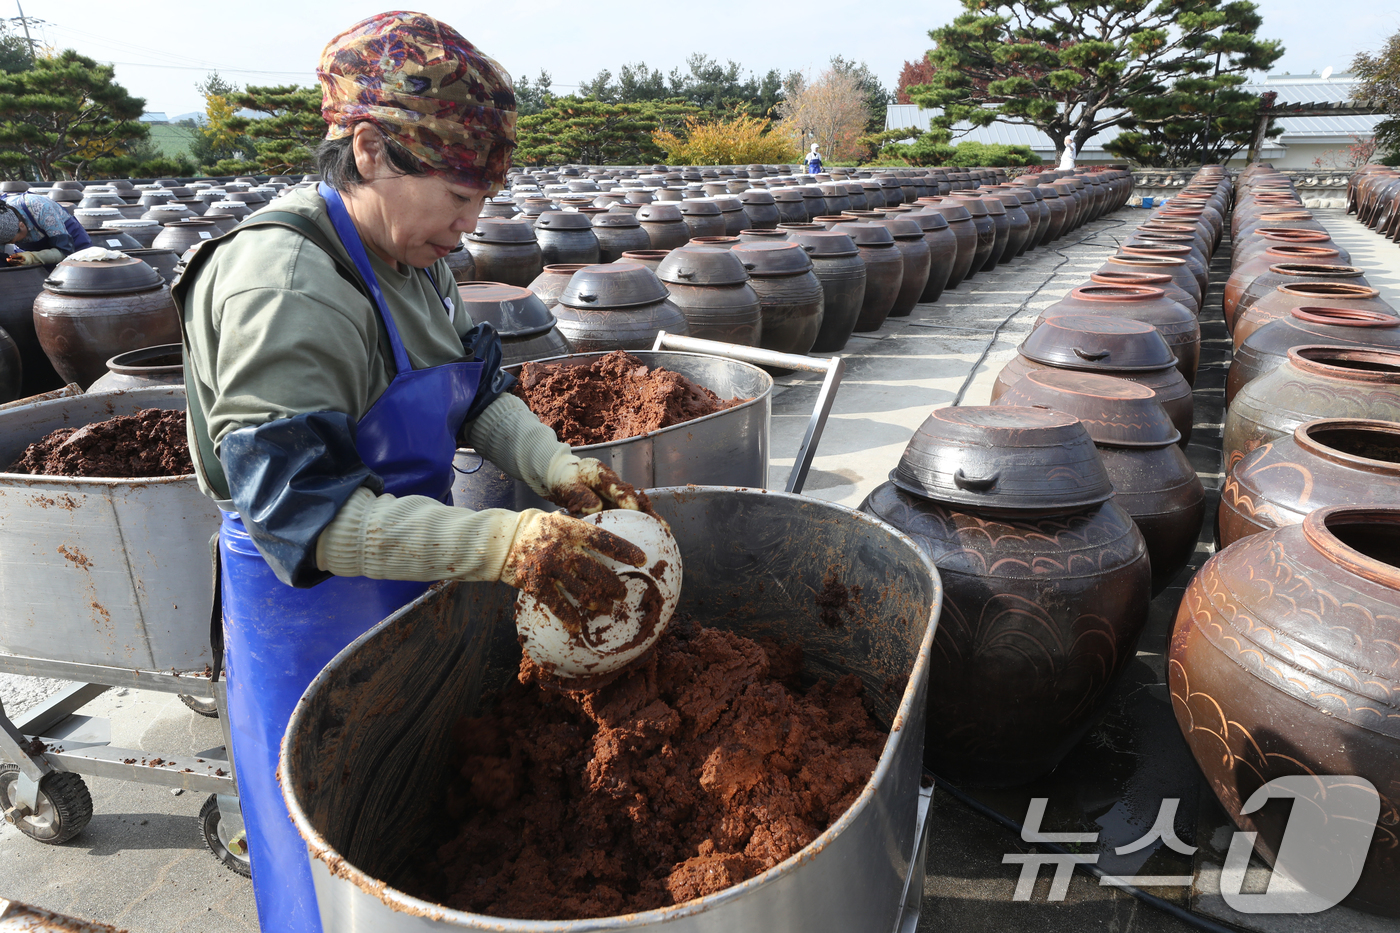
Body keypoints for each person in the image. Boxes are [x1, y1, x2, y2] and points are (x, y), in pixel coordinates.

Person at [173, 13, 649, 932]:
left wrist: (550, 464)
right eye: (458, 197)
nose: (470, 230)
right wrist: (506, 542)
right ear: (369, 148)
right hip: (307, 619)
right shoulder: (284, 285)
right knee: (329, 867)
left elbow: (473, 391)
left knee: (418, 842)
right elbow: (306, 516)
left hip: (409, 585)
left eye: (483, 202)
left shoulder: (409, 254)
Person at [0, 192, 92, 266]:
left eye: (13, 240)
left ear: (21, 225)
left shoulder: (41, 209)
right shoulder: (2, 214)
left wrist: (33, 257)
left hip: (69, 242)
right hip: (35, 251)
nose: (12, 244)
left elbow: (65, 252)